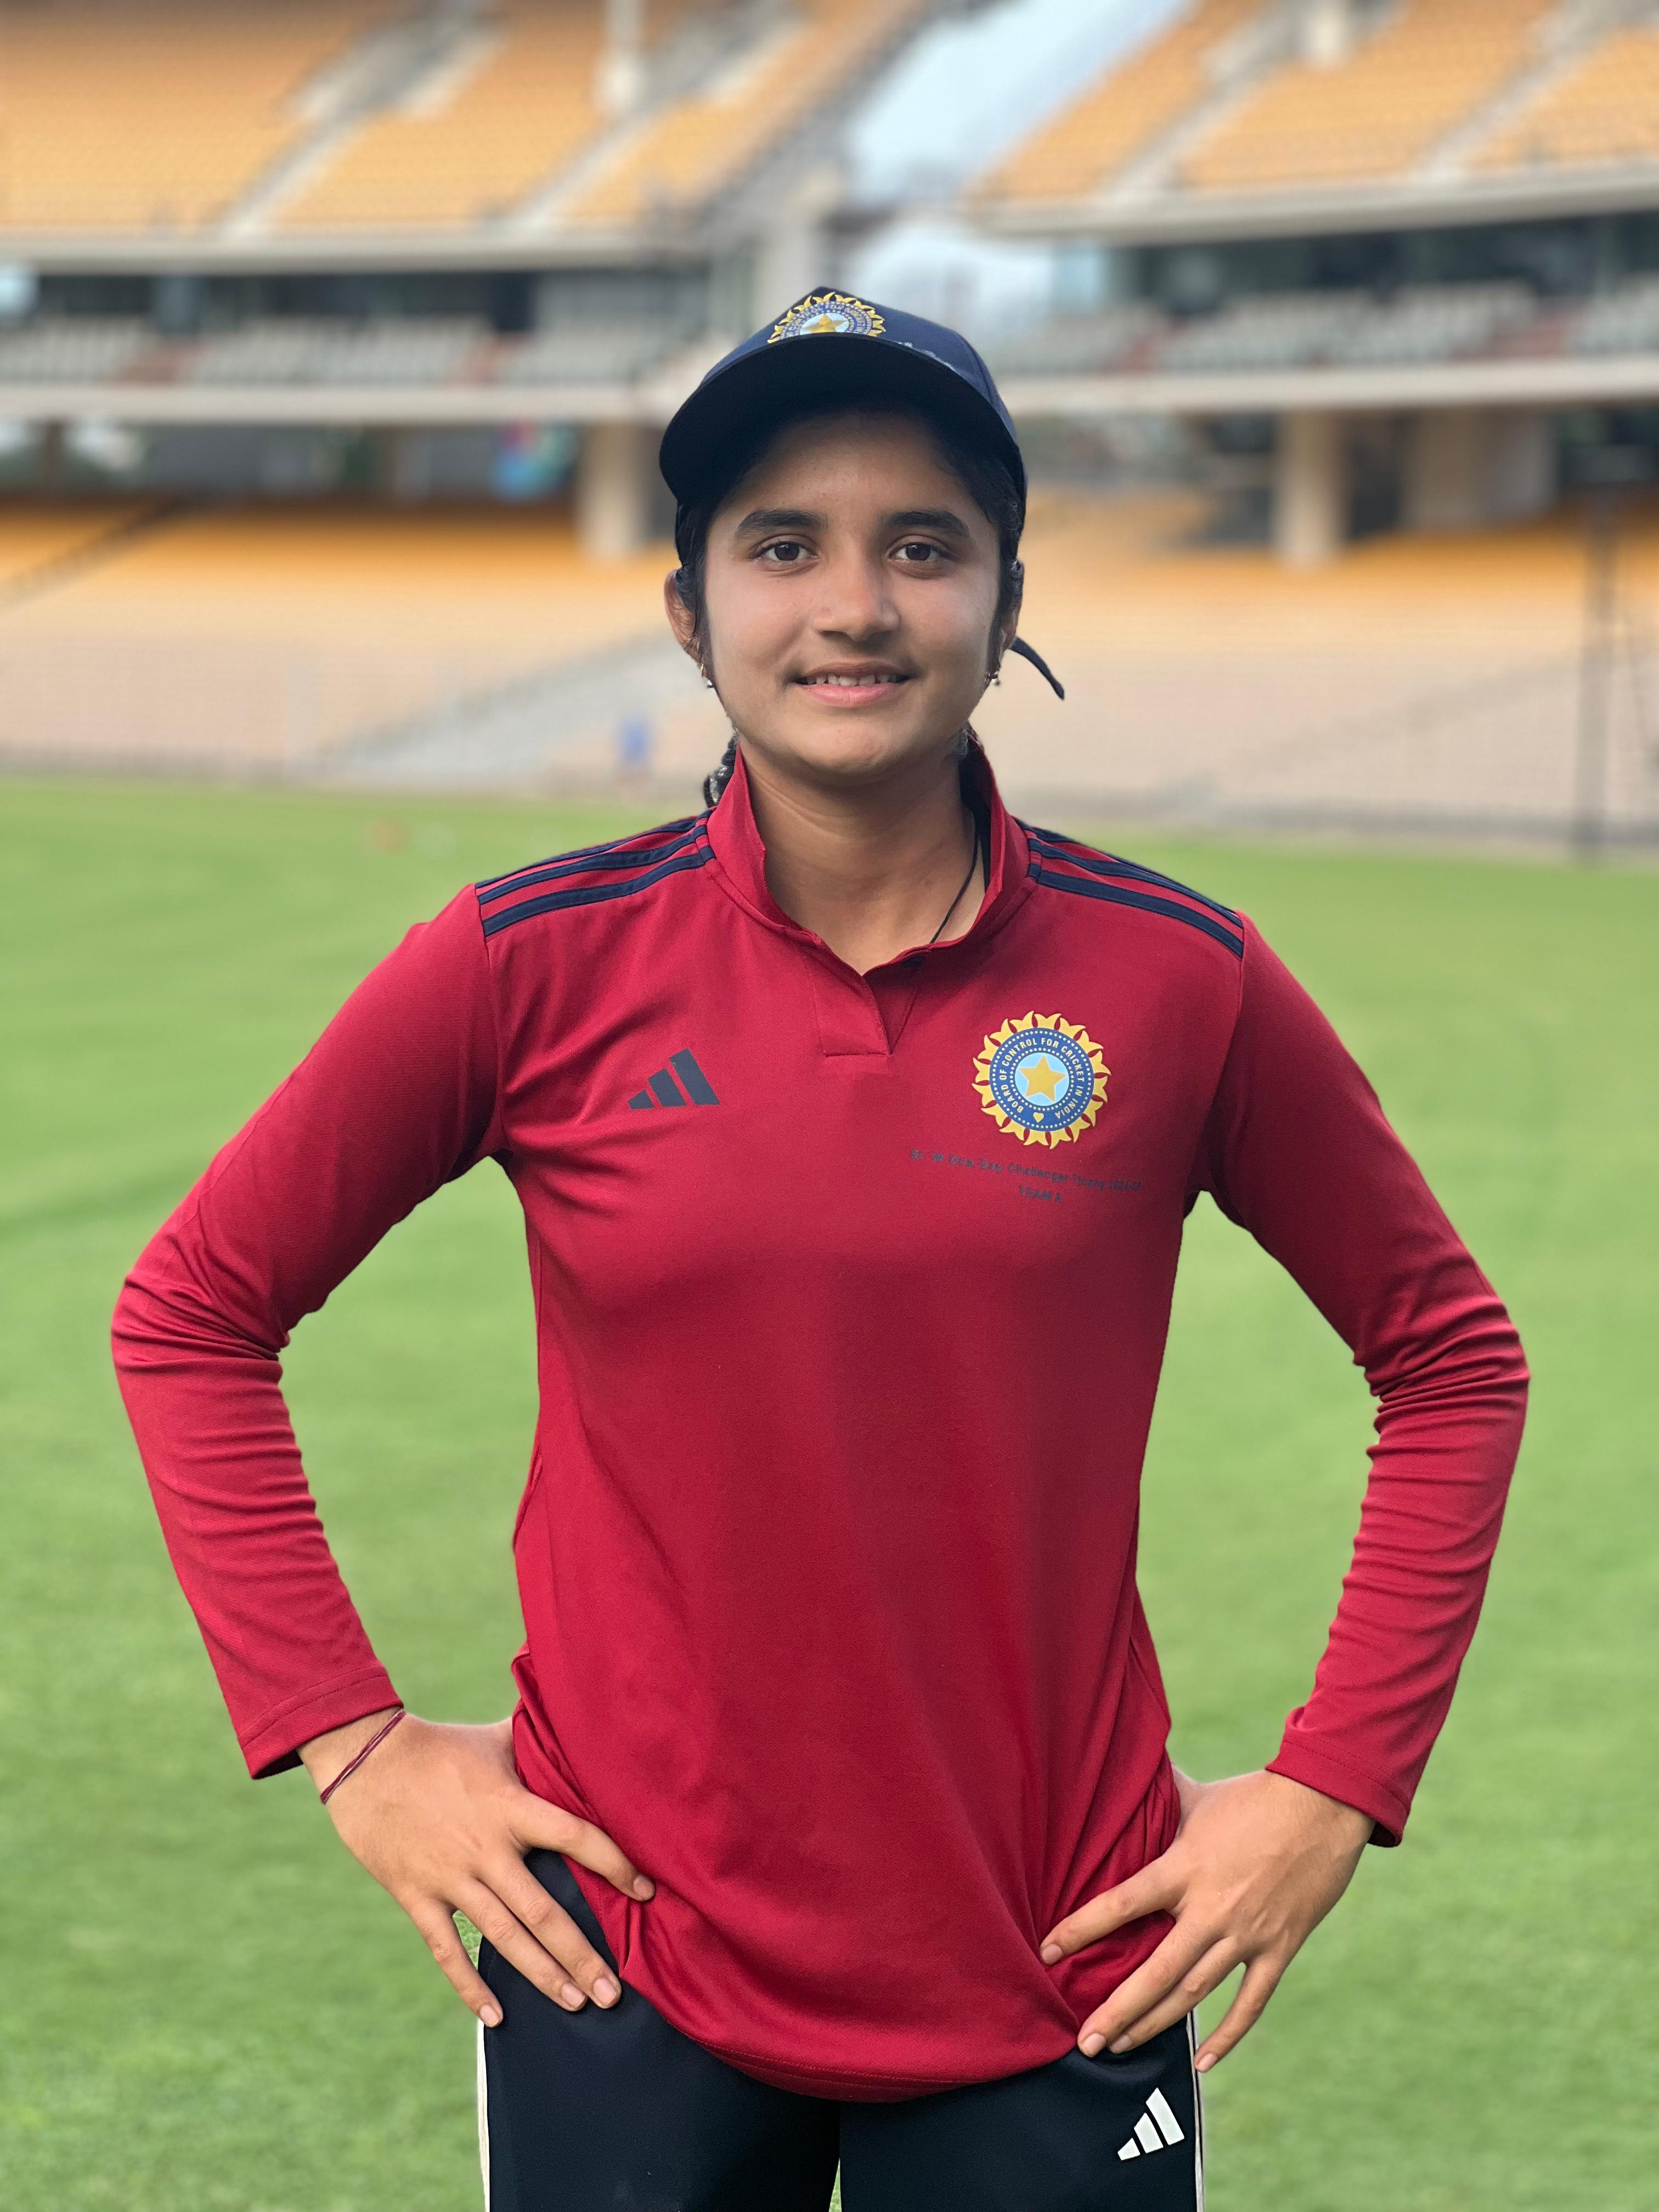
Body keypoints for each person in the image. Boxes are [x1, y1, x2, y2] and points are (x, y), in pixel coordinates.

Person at [112, 291, 1528, 2211]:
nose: (854, 606)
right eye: (783, 546)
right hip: (620, 1958)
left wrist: (1338, 1781)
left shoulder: (1179, 979)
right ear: (690, 611)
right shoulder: (528, 961)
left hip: (1066, 1958)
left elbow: (1450, 1360)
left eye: (923, 546)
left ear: (1008, 600)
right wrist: (352, 1742)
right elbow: (193, 1312)